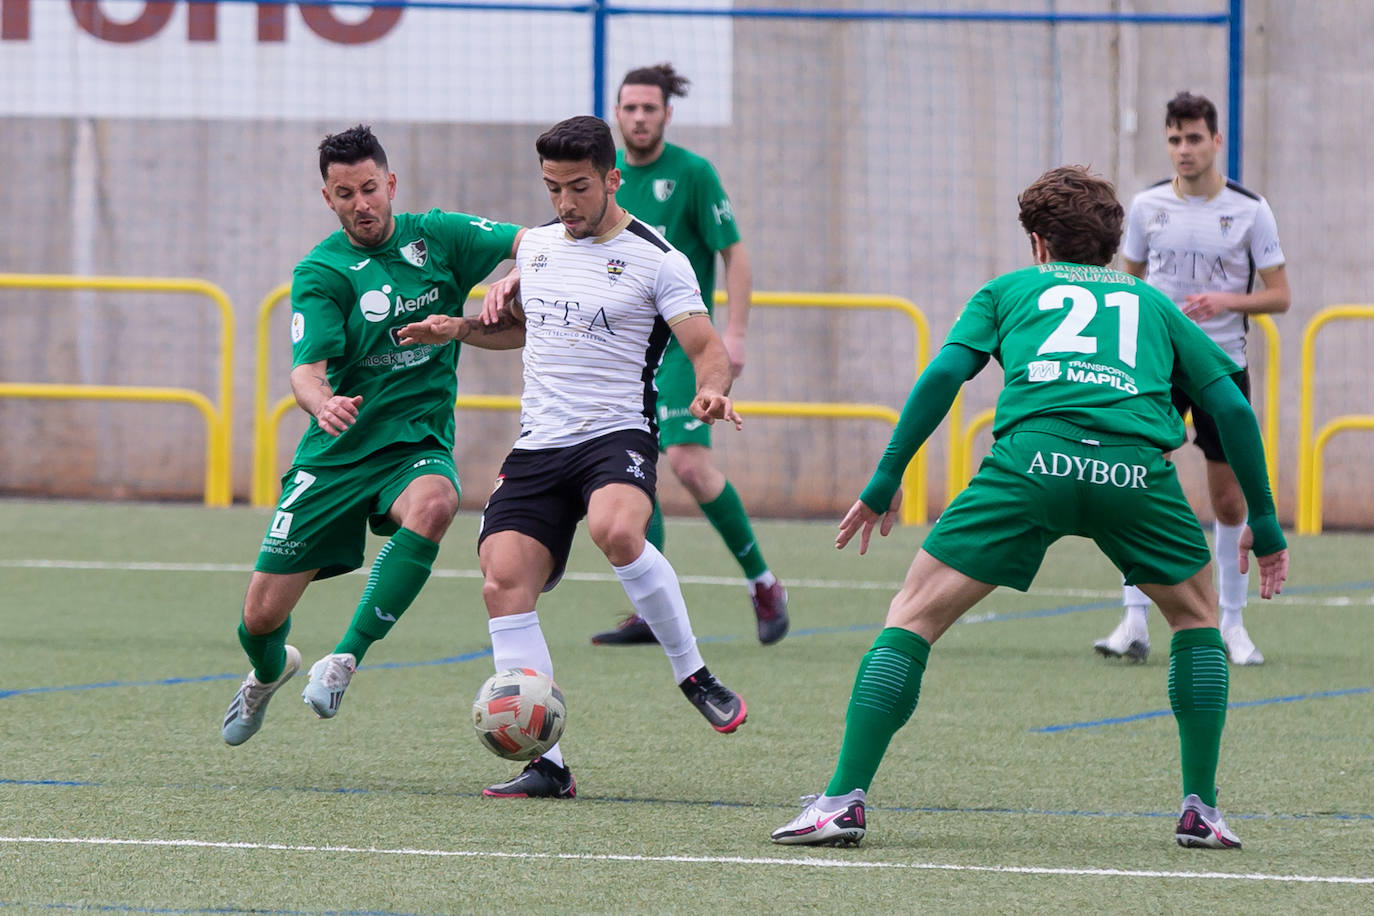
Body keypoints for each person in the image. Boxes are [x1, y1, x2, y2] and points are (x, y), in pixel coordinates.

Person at [769, 165, 1289, 850]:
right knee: (1196, 621)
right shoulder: (1152, 303)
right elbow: (1229, 405)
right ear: (1109, 243)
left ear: (1039, 243)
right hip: (1134, 471)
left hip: (1031, 463)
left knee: (913, 616)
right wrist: (1268, 523)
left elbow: (945, 375)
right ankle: (1203, 810)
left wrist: (885, 478)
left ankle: (841, 802)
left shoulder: (1009, 290)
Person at [400, 115, 749, 799]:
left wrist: (711, 392)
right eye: (553, 188)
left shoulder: (659, 258)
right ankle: (548, 765)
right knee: (501, 579)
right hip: (538, 445)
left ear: (613, 180)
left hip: (616, 434)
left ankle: (694, 673)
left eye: (579, 187)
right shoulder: (537, 249)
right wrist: (464, 329)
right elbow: (523, 331)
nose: (565, 203)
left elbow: (706, 349)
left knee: (617, 530)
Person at [220, 125, 523, 746]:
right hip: (336, 455)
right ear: (327, 199)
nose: (361, 204)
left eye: (368, 188)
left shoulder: (439, 235)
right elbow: (306, 371)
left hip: (414, 444)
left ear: (390, 183)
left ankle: (344, 659)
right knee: (259, 619)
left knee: (437, 502)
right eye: (344, 193)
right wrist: (322, 403)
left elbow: (536, 241)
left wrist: (515, 274)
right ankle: (268, 673)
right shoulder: (322, 269)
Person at [589, 62, 788, 647]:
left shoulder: (694, 174)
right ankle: (652, 612)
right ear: (618, 114)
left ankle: (763, 582)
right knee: (634, 466)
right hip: (623, 349)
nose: (640, 117)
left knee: (688, 463)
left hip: (679, 346)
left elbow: (736, 253)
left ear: (667, 114)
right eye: (630, 108)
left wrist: (737, 333)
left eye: (651, 108)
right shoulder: (608, 179)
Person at [1094, 91, 1290, 666]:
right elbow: (1125, 284)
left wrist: (1226, 299)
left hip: (1220, 367)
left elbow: (1280, 296)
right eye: (1175, 138)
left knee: (1229, 499)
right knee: (1132, 478)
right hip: (1153, 368)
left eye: (1194, 138)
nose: (1183, 149)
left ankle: (1231, 623)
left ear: (1216, 141)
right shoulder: (1147, 205)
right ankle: (1133, 621)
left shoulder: (1252, 210)